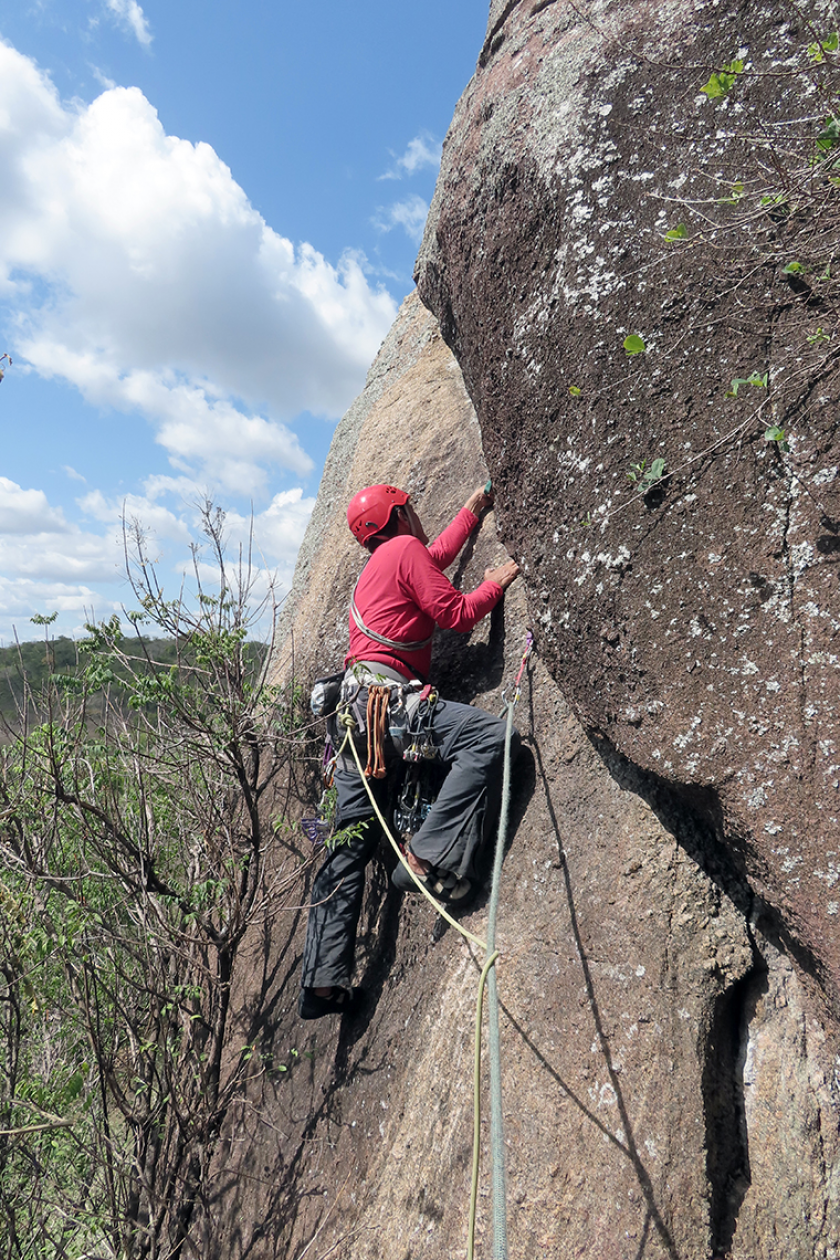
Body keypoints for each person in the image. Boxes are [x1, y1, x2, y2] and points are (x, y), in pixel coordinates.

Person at [298, 482, 520, 1020]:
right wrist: (494, 585)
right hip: (391, 709)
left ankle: (323, 981)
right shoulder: (402, 551)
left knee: (350, 842)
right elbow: (458, 614)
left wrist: (473, 508)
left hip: (355, 724)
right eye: (413, 509)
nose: (420, 518)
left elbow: (437, 555)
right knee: (488, 738)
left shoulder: (381, 565)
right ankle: (423, 854)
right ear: (400, 514)